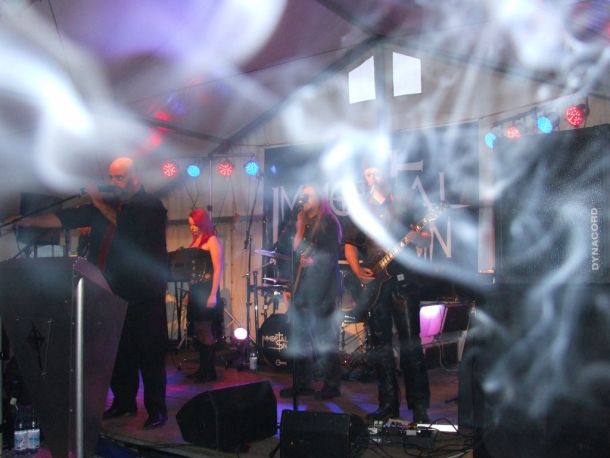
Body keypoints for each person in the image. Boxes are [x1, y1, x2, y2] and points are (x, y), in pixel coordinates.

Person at [13, 157, 169, 429]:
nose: (113, 182)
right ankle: (124, 403)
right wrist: (29, 221)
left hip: (144, 293)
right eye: (111, 177)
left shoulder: (150, 205)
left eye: (119, 177)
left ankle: (157, 409)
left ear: (135, 177)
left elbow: (127, 229)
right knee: (118, 353)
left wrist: (97, 201)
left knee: (150, 354)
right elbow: (65, 218)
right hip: (111, 291)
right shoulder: (104, 207)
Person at [344, 163, 431, 423]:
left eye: (376, 172)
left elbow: (425, 236)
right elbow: (349, 244)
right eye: (367, 174)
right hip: (375, 283)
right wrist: (357, 270)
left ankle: (419, 407)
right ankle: (387, 405)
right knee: (381, 348)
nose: (372, 177)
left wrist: (419, 237)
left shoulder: (404, 203)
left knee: (410, 344)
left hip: (403, 281)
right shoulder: (362, 208)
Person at [279, 184, 343, 400]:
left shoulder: (329, 222)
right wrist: (298, 228)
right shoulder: (301, 222)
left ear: (319, 198)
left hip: (324, 289)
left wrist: (314, 261)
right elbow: (293, 253)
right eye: (302, 194)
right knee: (299, 338)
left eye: (309, 195)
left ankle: (331, 385)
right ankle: (302, 383)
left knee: (324, 339)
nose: (304, 198)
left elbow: (331, 255)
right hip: (302, 288)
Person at [185, 208, 223, 383]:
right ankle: (203, 369)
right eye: (190, 225)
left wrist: (213, 294)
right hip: (195, 290)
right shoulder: (195, 242)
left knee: (206, 329)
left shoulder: (212, 240)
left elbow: (218, 269)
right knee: (198, 329)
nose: (192, 228)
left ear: (202, 223)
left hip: (207, 289)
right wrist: (188, 292)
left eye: (194, 224)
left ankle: (209, 371)